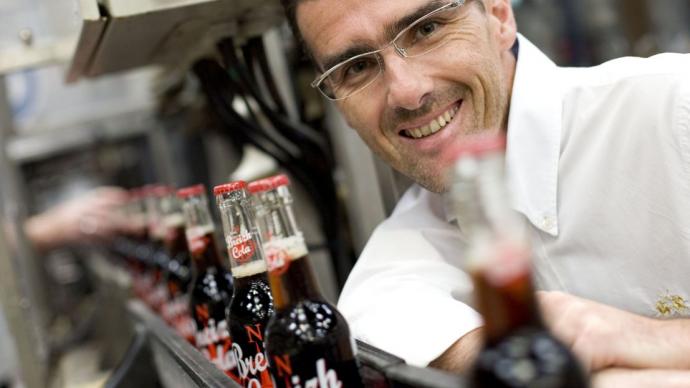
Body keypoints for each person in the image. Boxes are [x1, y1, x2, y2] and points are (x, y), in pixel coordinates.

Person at [280, 0, 690, 385]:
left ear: (498, 14)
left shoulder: (673, 106)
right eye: (357, 67)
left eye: (427, 28)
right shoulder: (399, 258)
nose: (407, 91)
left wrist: (648, 338)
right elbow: (382, 324)